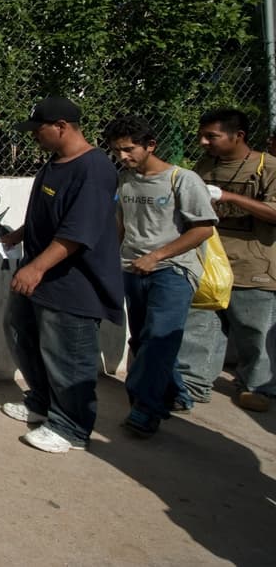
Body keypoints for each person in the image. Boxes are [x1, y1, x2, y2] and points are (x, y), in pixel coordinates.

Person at [0, 96, 122, 453]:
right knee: (20, 330)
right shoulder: (56, 163)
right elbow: (51, 213)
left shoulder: (94, 169)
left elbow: (77, 231)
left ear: (61, 127)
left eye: (39, 130)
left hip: (72, 282)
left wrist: (36, 267)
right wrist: (21, 235)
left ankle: (71, 428)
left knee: (69, 354)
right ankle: (41, 402)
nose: (34, 137)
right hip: (40, 274)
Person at [102, 115, 216, 437]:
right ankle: (176, 392)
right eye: (117, 151)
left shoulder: (183, 179)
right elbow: (121, 224)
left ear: (150, 145)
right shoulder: (125, 180)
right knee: (143, 339)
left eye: (128, 149)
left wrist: (157, 256)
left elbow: (204, 228)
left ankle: (145, 409)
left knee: (157, 338)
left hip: (174, 270)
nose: (122, 156)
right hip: (132, 268)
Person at [177, 108, 276, 413]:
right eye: (201, 135)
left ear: (238, 136)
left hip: (254, 265)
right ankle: (193, 385)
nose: (203, 142)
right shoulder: (206, 164)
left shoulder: (267, 167)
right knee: (200, 325)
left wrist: (229, 197)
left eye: (212, 136)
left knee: (254, 330)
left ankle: (257, 387)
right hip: (208, 263)